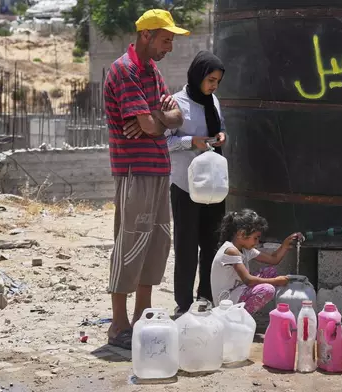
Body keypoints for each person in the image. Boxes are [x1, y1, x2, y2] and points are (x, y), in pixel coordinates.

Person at [103, 9, 188, 350]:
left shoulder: (150, 70)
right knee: (130, 243)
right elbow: (158, 125)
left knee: (156, 244)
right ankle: (118, 324)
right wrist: (159, 119)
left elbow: (176, 117)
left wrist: (155, 117)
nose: (169, 46)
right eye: (166, 39)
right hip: (134, 171)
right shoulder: (124, 70)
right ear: (147, 36)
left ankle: (143, 315)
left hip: (157, 170)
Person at [166, 51, 227, 316]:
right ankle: (184, 302)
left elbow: (219, 127)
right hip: (185, 185)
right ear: (198, 75)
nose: (213, 86)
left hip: (213, 187)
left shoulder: (213, 101)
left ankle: (206, 298)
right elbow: (164, 142)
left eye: (217, 81)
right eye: (210, 80)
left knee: (212, 244)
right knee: (187, 245)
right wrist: (191, 141)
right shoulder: (176, 103)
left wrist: (220, 136)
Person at [210, 209, 302, 314]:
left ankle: (241, 314)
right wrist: (276, 281)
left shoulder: (245, 249)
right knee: (267, 290)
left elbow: (273, 259)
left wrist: (285, 244)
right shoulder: (231, 251)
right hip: (226, 301)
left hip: (237, 291)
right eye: (255, 238)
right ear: (241, 234)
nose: (257, 242)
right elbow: (248, 280)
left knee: (270, 272)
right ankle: (237, 318)